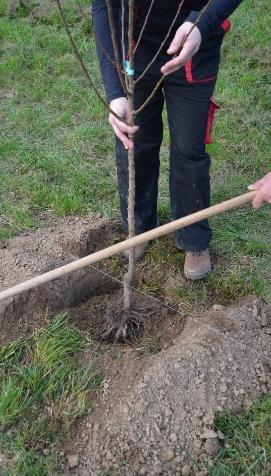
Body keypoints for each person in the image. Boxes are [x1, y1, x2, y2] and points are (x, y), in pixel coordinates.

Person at [92, 0, 245, 280]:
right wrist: (115, 92)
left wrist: (201, 22)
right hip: (135, 46)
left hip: (196, 46)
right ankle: (137, 228)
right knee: (134, 142)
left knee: (189, 148)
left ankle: (194, 239)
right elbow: (105, 7)